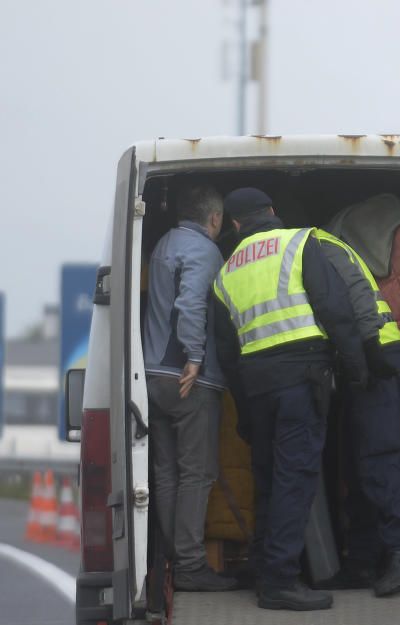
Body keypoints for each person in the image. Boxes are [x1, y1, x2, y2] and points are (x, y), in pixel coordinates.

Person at [211, 188, 370, 612]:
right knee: (295, 478)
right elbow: (335, 309)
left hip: (257, 385)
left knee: (267, 478)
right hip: (302, 378)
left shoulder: (226, 272)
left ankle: (265, 567)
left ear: (236, 225)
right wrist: (356, 367)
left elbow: (226, 352)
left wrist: (244, 410)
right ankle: (280, 580)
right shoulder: (299, 242)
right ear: (273, 213)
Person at [311, 229, 400, 596]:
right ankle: (362, 559)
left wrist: (369, 351)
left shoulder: (318, 246)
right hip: (358, 355)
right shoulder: (316, 246)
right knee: (358, 461)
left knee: (377, 453)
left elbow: (358, 294)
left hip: (374, 352)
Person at [142, 184, 237, 592]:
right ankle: (191, 564)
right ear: (214, 219)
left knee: (166, 472)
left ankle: (171, 558)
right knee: (197, 473)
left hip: (151, 375)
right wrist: (195, 357)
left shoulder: (163, 244)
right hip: (188, 379)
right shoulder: (204, 251)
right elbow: (191, 303)